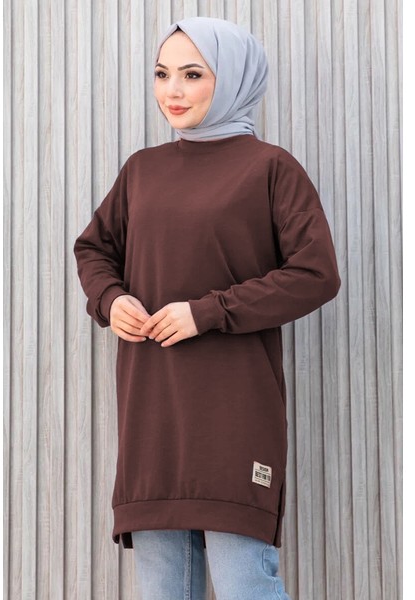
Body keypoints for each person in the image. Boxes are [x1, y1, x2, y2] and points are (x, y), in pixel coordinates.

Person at [74, 16, 340, 600]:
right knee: (162, 585)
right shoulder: (142, 170)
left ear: (235, 77)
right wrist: (111, 300)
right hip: (152, 409)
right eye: (162, 73)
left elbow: (316, 274)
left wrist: (208, 312)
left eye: (193, 75)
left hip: (233, 411)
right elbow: (93, 249)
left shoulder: (270, 168)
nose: (172, 90)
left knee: (245, 579)